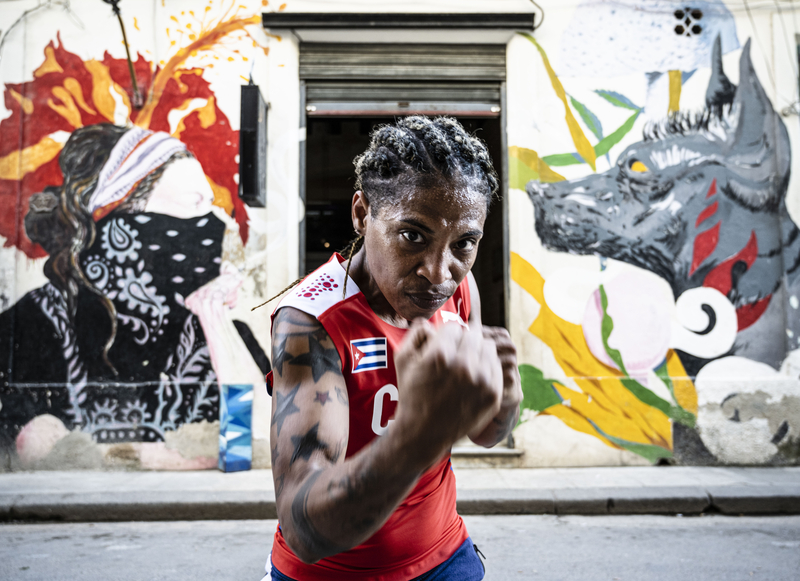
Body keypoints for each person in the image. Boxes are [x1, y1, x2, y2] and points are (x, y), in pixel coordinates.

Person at [265, 116, 522, 580]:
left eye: (464, 243)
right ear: (363, 215)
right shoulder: (311, 322)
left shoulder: (459, 293)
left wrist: (502, 401)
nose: (439, 273)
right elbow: (303, 530)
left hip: (445, 556)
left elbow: (487, 434)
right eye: (413, 236)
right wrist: (419, 432)